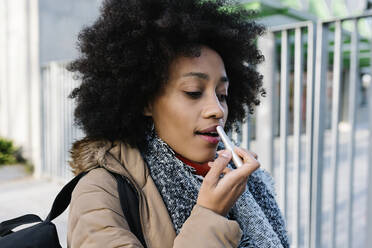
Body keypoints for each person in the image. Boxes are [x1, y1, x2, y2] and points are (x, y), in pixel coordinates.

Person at [66, 0, 289, 247]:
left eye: (222, 94)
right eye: (193, 92)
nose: (217, 109)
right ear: (145, 101)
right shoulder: (99, 191)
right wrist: (211, 215)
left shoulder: (235, 179)